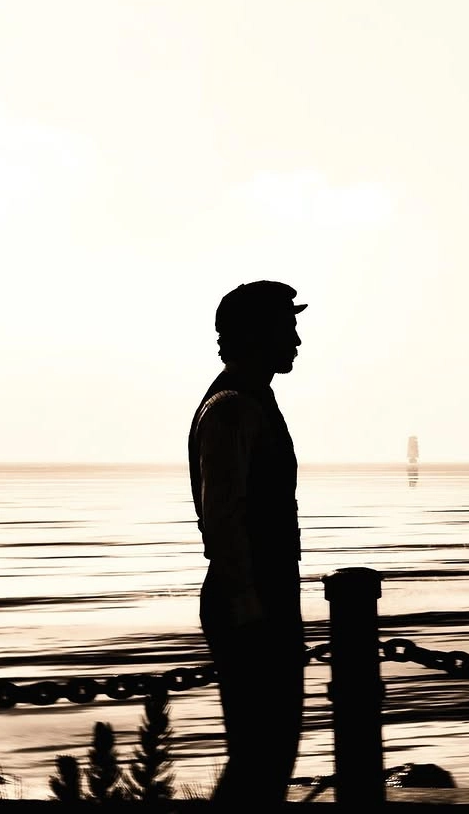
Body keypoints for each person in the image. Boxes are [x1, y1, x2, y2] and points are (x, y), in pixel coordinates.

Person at [187, 280, 307, 805]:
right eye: (288, 327)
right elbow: (223, 518)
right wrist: (250, 608)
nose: (298, 339)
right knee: (260, 758)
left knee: (268, 757)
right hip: (252, 602)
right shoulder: (233, 407)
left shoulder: (252, 400)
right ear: (256, 335)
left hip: (264, 595)